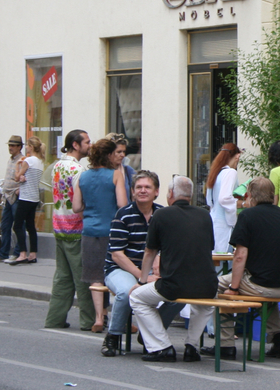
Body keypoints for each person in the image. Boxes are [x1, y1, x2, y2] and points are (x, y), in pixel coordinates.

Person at [211, 176, 280, 360]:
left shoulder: (247, 216)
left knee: (216, 284)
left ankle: (225, 344)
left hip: (264, 285)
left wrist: (234, 288)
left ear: (250, 195)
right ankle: (279, 340)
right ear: (272, 195)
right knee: (267, 287)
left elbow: (240, 256)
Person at [129, 175, 217, 363]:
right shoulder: (205, 215)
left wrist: (142, 282)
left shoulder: (161, 215)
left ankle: (161, 346)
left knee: (137, 298)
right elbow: (208, 247)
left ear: (170, 194)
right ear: (190, 195)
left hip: (174, 285)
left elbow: (150, 252)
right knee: (205, 304)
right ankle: (191, 347)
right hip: (207, 285)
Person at [101, 170, 184, 357]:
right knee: (126, 292)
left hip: (153, 271)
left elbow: (170, 245)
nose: (143, 190)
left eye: (147, 187)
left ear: (156, 192)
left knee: (179, 294)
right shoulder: (123, 215)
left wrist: (159, 259)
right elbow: (117, 255)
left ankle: (152, 334)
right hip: (121, 269)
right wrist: (142, 277)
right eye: (138, 187)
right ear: (132, 191)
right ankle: (113, 336)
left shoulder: (164, 214)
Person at [74, 137, 128, 332]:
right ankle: (121, 319)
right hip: (111, 230)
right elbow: (122, 204)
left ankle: (99, 317)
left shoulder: (83, 177)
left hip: (89, 230)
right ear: (109, 155)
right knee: (116, 273)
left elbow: (76, 207)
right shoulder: (115, 175)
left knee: (95, 276)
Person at [45, 130, 97, 331]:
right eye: (87, 142)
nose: (90, 145)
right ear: (76, 145)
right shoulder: (78, 170)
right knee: (83, 278)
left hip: (59, 225)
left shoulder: (57, 165)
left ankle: (55, 318)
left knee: (62, 277)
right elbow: (79, 202)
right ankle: (88, 320)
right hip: (75, 228)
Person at [9, 137, 46, 265]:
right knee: (30, 226)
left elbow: (16, 177)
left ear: (31, 147)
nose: (26, 147)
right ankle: (33, 254)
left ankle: (22, 253)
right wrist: (23, 178)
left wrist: (18, 166)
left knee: (17, 225)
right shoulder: (40, 162)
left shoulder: (28, 160)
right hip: (34, 197)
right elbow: (28, 177)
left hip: (25, 197)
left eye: (27, 145)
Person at [0, 135, 24, 262]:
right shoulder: (11, 160)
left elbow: (24, 178)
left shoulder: (22, 160)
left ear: (19, 147)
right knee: (5, 226)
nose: (10, 148)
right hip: (7, 196)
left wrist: (18, 190)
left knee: (18, 226)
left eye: (13, 146)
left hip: (16, 196)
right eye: (9, 145)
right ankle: (3, 253)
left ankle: (18, 252)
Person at [205, 142, 242, 253]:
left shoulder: (216, 172)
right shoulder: (231, 172)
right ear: (237, 156)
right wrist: (243, 203)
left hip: (213, 221)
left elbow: (209, 200)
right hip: (225, 224)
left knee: (215, 257)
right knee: (225, 256)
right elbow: (224, 198)